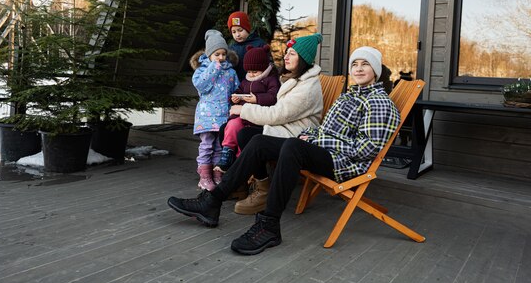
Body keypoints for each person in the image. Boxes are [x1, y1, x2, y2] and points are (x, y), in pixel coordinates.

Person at [168, 46, 400, 255]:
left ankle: (269, 225)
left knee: (292, 147)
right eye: (355, 64)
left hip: (345, 164)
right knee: (259, 142)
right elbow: (325, 131)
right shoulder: (347, 97)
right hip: (324, 151)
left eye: (365, 64)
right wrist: (311, 137)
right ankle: (212, 201)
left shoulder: (378, 102)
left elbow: (367, 148)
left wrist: (317, 141)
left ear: (376, 71)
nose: (359, 69)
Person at [226, 33, 324, 215]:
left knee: (253, 138)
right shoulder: (291, 78)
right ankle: (259, 186)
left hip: (296, 137)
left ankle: (249, 191)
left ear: (303, 58)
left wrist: (244, 109)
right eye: (287, 52)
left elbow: (278, 114)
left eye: (292, 53)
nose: (286, 56)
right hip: (284, 128)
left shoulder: (308, 87)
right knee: (244, 134)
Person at [214, 44, 280, 173]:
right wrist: (235, 98)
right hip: (242, 117)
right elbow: (238, 90)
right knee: (231, 125)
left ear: (264, 68)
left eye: (255, 71)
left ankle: (240, 160)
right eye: (249, 71)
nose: (252, 74)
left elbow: (274, 97)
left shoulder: (270, 80)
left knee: (241, 133)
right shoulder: (246, 80)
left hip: (258, 119)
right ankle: (227, 153)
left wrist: (257, 99)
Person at [189, 29, 240, 191]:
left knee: (220, 146)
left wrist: (236, 99)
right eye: (216, 54)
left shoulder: (230, 72)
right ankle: (204, 177)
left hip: (223, 116)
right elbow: (201, 87)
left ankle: (217, 175)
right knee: (207, 146)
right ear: (209, 54)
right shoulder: (202, 71)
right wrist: (214, 68)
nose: (221, 58)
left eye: (223, 54)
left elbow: (235, 89)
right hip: (206, 116)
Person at [227, 11, 267, 81]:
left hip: (256, 82)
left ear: (247, 29)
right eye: (234, 32)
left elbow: (267, 64)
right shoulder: (231, 48)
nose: (237, 34)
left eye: (240, 30)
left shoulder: (259, 44)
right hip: (238, 85)